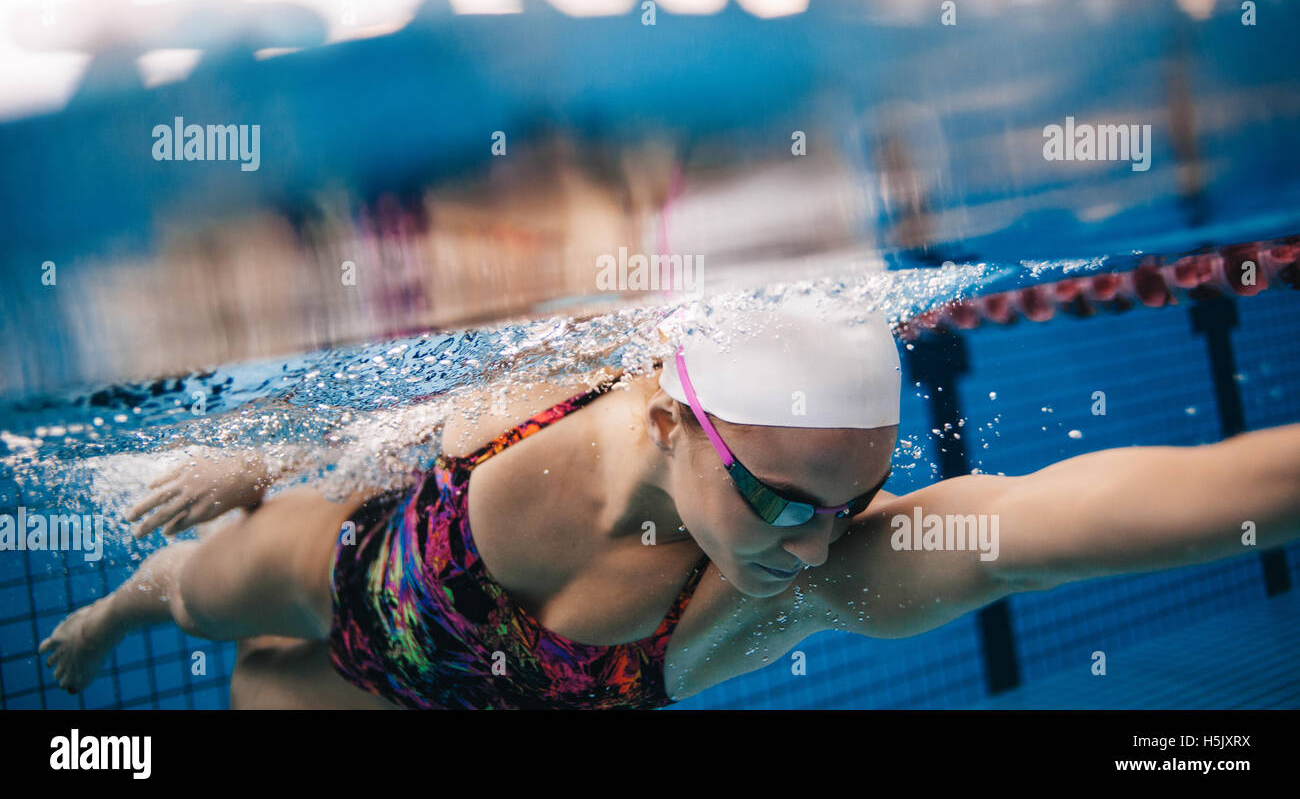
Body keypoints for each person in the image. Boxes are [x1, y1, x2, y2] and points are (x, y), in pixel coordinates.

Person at [40, 295, 1300, 708]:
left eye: (850, 495)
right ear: (667, 425)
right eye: (780, 497)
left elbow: (1050, 522)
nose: (817, 535)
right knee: (200, 599)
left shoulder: (825, 567)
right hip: (360, 569)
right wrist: (252, 461)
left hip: (472, 695)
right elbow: (369, 423)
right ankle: (120, 612)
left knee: (272, 691)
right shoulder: (551, 385)